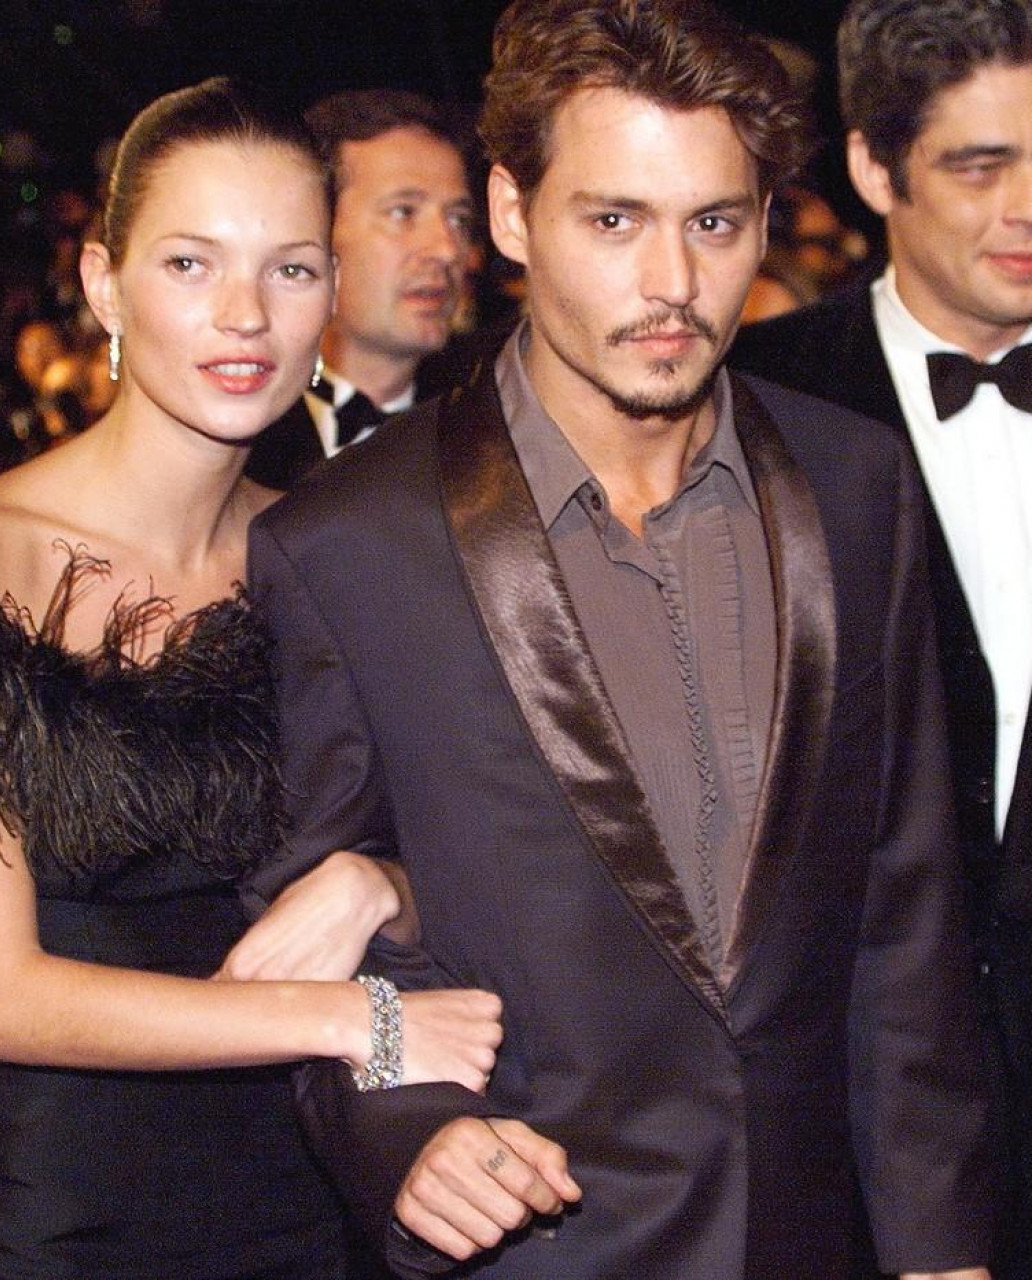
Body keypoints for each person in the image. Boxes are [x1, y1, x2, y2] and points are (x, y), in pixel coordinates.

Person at [244, 1, 996, 1277]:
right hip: (540, 1242)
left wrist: (939, 1243)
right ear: (509, 213)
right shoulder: (346, 545)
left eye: (713, 224)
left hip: (816, 1236)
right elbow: (313, 939)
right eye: (612, 222)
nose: (670, 285)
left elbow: (903, 902)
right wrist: (407, 1133)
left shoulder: (855, 483)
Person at [0, 77, 501, 1279]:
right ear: (104, 285)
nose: (244, 314)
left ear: (329, 295)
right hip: (59, 1215)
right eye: (191, 264)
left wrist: (372, 884)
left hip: (302, 1196)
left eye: (290, 269)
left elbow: (469, 857)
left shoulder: (335, 553)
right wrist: (353, 1014)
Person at [731, 4, 1032, 1275]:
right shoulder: (749, 403)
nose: (1026, 207)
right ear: (871, 166)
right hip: (852, 1120)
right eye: (978, 165)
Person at [245, 90, 474, 489]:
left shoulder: (488, 433)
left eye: (458, 219)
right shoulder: (238, 440)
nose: (447, 249)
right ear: (316, 228)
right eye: (403, 212)